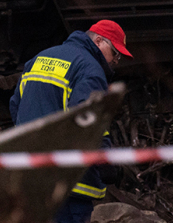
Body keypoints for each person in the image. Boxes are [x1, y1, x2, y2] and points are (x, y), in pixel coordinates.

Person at [9, 20, 132, 223]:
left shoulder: (39, 58)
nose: (116, 61)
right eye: (115, 53)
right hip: (66, 184)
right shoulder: (90, 69)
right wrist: (105, 163)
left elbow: (16, 106)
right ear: (99, 41)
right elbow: (89, 121)